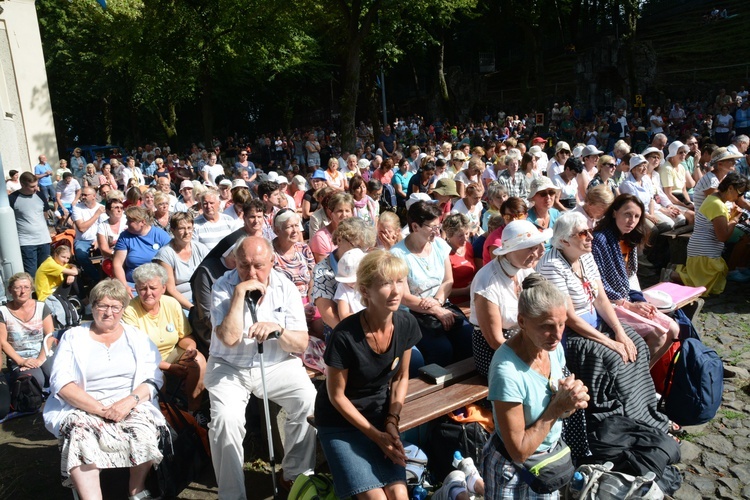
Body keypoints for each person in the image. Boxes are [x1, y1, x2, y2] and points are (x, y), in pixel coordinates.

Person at [536, 212, 669, 431]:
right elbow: (569, 318)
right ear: (564, 241)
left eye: (590, 231)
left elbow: (600, 297)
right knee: (613, 357)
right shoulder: (552, 265)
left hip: (596, 324)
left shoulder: (585, 256)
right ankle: (625, 421)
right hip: (571, 335)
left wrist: (620, 332)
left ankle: (647, 414)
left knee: (636, 344)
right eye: (583, 233)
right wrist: (610, 342)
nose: (590, 237)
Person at [206, 236, 317, 496]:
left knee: (308, 401)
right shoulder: (223, 286)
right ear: (235, 262)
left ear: (272, 261)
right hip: (229, 366)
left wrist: (278, 330)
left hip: (276, 364)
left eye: (258, 265)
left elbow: (300, 343)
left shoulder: (285, 286)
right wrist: (239, 294)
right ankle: (232, 494)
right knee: (225, 420)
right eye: (244, 265)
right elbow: (230, 338)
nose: (251, 272)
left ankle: (295, 476)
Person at [42, 279, 165, 499]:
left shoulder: (136, 337)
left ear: (123, 309)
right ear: (93, 306)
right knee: (80, 436)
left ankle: (136, 490)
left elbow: (154, 377)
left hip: (129, 404)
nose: (108, 312)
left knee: (144, 430)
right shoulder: (74, 336)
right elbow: (61, 382)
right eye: (102, 305)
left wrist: (129, 401)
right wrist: (101, 410)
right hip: (83, 406)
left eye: (115, 306)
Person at [314, 250, 421, 499]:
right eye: (385, 283)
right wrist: (377, 436)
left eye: (400, 280)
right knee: (375, 498)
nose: (396, 291)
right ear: (364, 291)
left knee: (399, 495)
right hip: (340, 423)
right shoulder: (345, 336)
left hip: (380, 417)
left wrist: (391, 421)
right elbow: (336, 396)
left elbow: (400, 377)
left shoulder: (406, 324)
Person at [482, 274, 589, 499]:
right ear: (522, 322)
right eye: (547, 326)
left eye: (562, 324)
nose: (558, 335)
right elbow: (518, 450)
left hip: (546, 463)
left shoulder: (552, 348)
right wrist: (558, 408)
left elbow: (560, 408)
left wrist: (572, 401)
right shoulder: (507, 371)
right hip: (511, 472)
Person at [592, 194, 680, 366]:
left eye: (637, 216)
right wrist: (629, 305)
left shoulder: (629, 239)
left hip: (627, 297)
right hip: (608, 303)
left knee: (674, 329)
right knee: (658, 335)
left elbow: (630, 278)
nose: (631, 221)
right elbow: (598, 284)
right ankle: (639, 382)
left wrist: (640, 302)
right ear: (614, 213)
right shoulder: (599, 240)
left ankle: (647, 375)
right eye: (627, 214)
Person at [390, 201, 473, 366]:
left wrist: (438, 302)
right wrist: (435, 309)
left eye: (439, 225)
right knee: (442, 350)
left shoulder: (440, 245)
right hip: (413, 313)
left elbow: (448, 280)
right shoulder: (398, 254)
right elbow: (404, 297)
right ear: (415, 227)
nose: (438, 231)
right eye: (432, 227)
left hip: (441, 303)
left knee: (468, 337)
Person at [122, 264, 206, 418]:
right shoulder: (129, 311)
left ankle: (194, 412)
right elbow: (137, 353)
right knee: (157, 378)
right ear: (136, 289)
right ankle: (163, 417)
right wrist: (170, 367)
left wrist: (190, 350)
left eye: (153, 288)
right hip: (144, 361)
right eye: (142, 289)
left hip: (171, 353)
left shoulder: (171, 303)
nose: (148, 293)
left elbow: (185, 336)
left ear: (163, 288)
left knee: (198, 360)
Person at [471, 221, 550, 377]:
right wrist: (532, 359)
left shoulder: (524, 270)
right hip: (497, 351)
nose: (538, 253)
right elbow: (495, 341)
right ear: (510, 250)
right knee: (534, 379)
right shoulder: (486, 283)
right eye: (530, 248)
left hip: (526, 340)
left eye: (538, 246)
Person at [675, 173, 749, 295]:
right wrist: (734, 220)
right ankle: (674, 274)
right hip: (703, 253)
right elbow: (722, 236)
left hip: (704, 250)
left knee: (716, 282)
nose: (739, 197)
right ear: (730, 188)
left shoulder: (715, 198)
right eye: (739, 193)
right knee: (705, 287)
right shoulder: (717, 204)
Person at [312, 218, 376, 336]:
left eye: (364, 248)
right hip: (342, 332)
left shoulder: (366, 261)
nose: (361, 252)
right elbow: (327, 314)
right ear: (340, 240)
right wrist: (354, 336)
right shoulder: (323, 270)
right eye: (357, 246)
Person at [0, 272, 55, 388]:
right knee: (34, 381)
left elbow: (50, 335)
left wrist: (40, 360)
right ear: (10, 290)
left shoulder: (41, 307)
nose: (22, 291)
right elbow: (3, 342)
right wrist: (21, 361)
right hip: (19, 357)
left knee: (56, 375)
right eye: (18, 287)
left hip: (43, 353)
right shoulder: (3, 311)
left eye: (26, 287)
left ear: (31, 289)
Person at [154, 212, 209, 310]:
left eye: (189, 228)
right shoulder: (165, 254)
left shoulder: (201, 248)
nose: (187, 232)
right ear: (173, 230)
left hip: (203, 298)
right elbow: (170, 290)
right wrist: (192, 309)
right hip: (180, 303)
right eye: (181, 228)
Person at [113, 206, 171, 296]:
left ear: (142, 222)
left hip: (156, 284)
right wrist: (124, 286)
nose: (126, 223)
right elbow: (117, 264)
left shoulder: (161, 235)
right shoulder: (125, 236)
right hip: (132, 285)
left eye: (130, 221)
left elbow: (171, 262)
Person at [9, 172, 53, 278]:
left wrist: (51, 230)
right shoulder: (12, 198)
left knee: (45, 271)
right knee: (31, 274)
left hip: (44, 239)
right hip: (26, 242)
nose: (35, 188)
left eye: (36, 185)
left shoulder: (39, 195)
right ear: (23, 185)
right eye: (32, 186)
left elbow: (46, 214)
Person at [72, 186, 106, 284]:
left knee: (111, 253)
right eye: (82, 194)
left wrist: (98, 240)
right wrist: (96, 215)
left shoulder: (101, 208)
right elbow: (81, 228)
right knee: (81, 255)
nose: (83, 197)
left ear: (94, 196)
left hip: (100, 238)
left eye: (85, 195)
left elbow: (104, 227)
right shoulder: (77, 208)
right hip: (82, 240)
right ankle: (98, 279)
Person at [310, 192, 355, 262]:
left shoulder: (356, 233)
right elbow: (323, 268)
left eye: (347, 211)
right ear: (331, 213)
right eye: (340, 211)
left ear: (352, 213)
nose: (344, 215)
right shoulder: (320, 238)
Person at [443, 213, 477, 306]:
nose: (465, 238)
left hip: (474, 298)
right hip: (456, 304)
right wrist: (465, 291)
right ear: (449, 235)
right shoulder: (444, 254)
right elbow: (441, 290)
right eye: (460, 236)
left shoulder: (468, 247)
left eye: (467, 233)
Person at [333, 249, 367, 320]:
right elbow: (343, 315)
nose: (350, 283)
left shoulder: (372, 283)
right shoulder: (342, 287)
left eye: (354, 280)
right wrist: (368, 316)